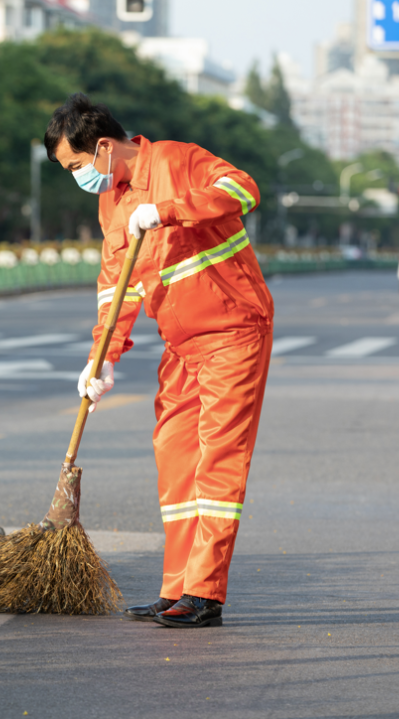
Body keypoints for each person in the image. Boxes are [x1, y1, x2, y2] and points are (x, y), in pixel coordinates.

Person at [44, 93, 273, 628]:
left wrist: (169, 210)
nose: (78, 178)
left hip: (233, 332)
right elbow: (116, 288)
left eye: (76, 166)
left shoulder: (176, 160)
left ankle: (206, 593)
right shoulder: (112, 201)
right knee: (174, 461)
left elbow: (243, 189)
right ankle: (178, 588)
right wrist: (102, 358)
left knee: (217, 461)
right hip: (181, 345)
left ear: (102, 147)